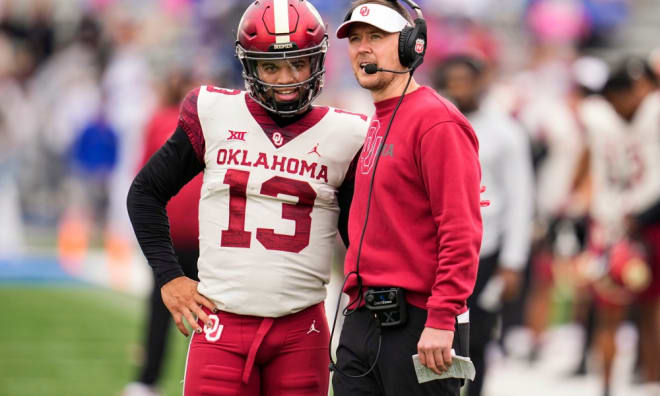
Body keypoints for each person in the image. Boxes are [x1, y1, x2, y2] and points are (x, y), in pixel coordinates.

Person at [126, 1, 368, 395]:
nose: (285, 78)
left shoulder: (349, 134)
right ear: (249, 66)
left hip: (300, 328)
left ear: (318, 62)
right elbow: (145, 192)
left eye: (298, 64)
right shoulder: (212, 112)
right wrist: (169, 277)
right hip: (221, 323)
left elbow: (361, 233)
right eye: (270, 66)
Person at [332, 1, 483, 395]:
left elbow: (460, 230)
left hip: (421, 322)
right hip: (364, 316)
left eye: (376, 37)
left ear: (411, 44)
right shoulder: (377, 121)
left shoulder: (438, 121)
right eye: (356, 38)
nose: (363, 48)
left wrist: (442, 317)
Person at [433, 55, 534, 396]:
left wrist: (513, 261)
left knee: (476, 336)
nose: (459, 87)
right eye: (453, 80)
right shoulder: (435, 125)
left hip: (485, 250)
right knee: (435, 336)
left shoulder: (504, 130)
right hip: (438, 248)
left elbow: (521, 197)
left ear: (481, 82)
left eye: (466, 80)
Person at [123, 70, 201, 396]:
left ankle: (198, 381)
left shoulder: (210, 124)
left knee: (205, 315)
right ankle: (147, 379)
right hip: (167, 236)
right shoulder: (157, 119)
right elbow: (144, 180)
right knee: (159, 308)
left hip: (203, 236)